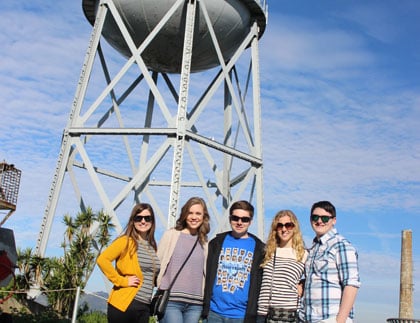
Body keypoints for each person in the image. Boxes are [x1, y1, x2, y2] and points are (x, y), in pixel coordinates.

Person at [202, 200, 265, 323]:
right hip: (214, 312)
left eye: (244, 219)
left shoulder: (260, 249)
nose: (239, 222)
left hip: (241, 315)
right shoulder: (216, 243)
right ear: (230, 218)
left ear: (250, 221)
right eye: (235, 218)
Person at [97, 203, 160, 323]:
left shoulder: (152, 247)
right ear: (133, 220)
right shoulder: (125, 241)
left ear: (152, 221)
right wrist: (122, 281)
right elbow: (102, 260)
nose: (143, 221)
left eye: (147, 218)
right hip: (125, 304)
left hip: (145, 306)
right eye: (138, 218)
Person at [299, 201, 361, 323]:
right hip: (308, 318)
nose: (319, 221)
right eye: (315, 217)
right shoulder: (313, 249)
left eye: (325, 218)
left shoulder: (341, 245)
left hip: (330, 318)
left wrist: (340, 320)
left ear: (334, 220)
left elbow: (351, 284)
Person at [157, 196, 210, 323]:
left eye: (198, 213)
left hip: (196, 304)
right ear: (185, 215)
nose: (193, 217)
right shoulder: (171, 235)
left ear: (204, 217)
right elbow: (157, 264)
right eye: (190, 213)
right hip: (171, 300)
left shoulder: (205, 242)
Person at [256, 210, 308, 323]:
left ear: (295, 228)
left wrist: (303, 283)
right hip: (263, 314)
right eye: (280, 226)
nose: (284, 229)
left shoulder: (303, 254)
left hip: (289, 314)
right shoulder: (267, 252)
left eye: (288, 225)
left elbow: (315, 277)